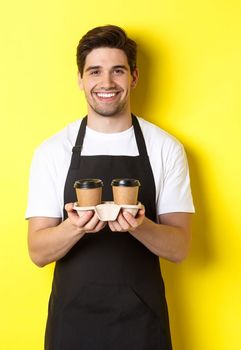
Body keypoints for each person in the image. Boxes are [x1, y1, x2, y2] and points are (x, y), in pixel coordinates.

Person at [25, 25, 194, 350]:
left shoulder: (165, 148)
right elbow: (37, 251)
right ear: (80, 79)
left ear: (134, 77)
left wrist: (139, 225)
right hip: (71, 325)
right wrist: (75, 227)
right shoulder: (53, 150)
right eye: (95, 72)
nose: (106, 83)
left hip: (142, 325)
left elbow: (180, 248)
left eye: (117, 71)